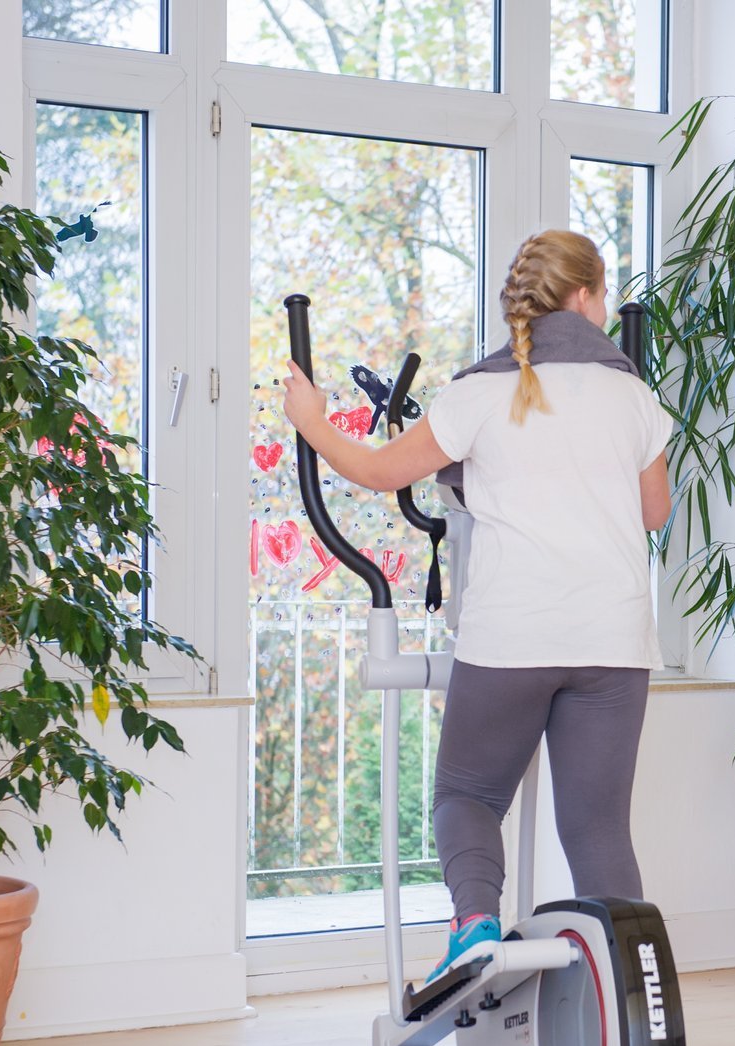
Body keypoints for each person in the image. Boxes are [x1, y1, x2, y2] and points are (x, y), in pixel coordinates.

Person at [283, 229, 673, 974]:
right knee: (596, 831)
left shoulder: (480, 394)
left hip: (512, 637)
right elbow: (654, 513)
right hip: (614, 641)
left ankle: (474, 928)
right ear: (587, 297)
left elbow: (373, 469)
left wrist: (310, 419)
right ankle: (636, 998)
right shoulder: (634, 395)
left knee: (467, 794)